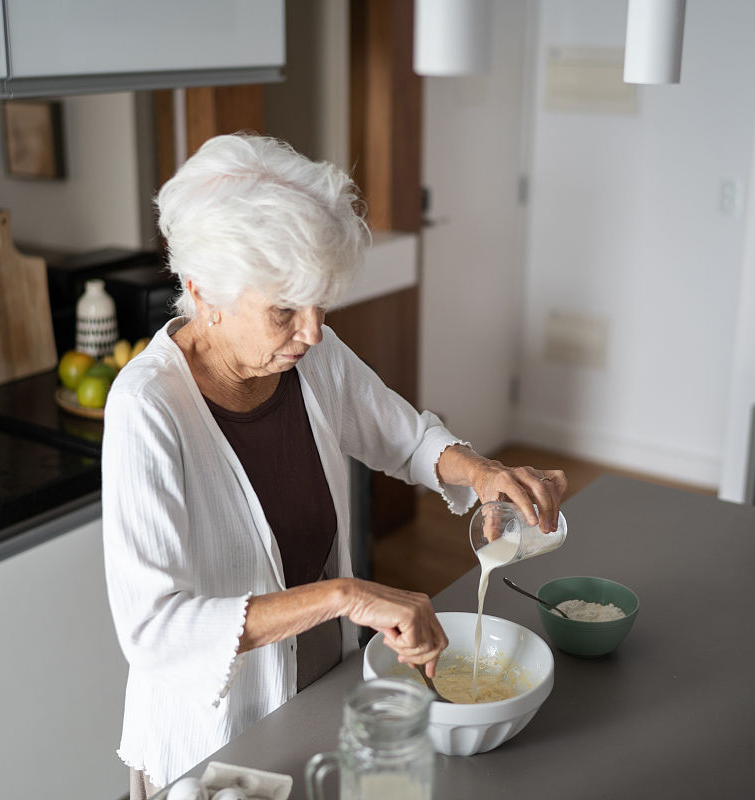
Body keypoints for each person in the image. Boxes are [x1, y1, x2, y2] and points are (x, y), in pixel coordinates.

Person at [102, 134, 566, 797]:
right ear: (204, 291)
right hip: (216, 743)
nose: (313, 331)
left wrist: (483, 474)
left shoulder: (308, 354)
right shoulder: (148, 409)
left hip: (318, 695)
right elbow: (156, 633)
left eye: (320, 302)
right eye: (285, 310)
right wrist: (348, 595)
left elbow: (403, 437)